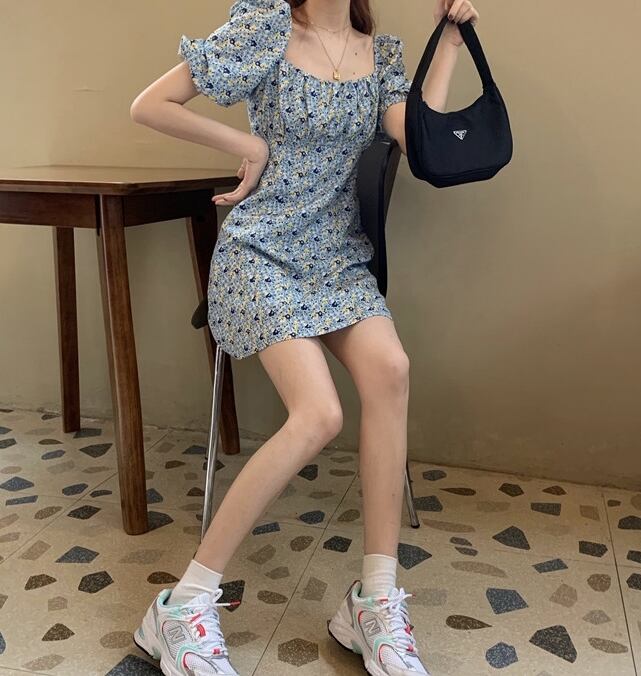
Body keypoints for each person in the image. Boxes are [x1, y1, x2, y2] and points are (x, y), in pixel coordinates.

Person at [129, 0, 479, 674]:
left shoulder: (379, 55)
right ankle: (181, 606)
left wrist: (452, 42)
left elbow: (422, 143)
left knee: (392, 370)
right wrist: (249, 146)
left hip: (336, 258)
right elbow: (150, 105)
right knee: (319, 414)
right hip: (261, 253)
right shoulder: (265, 27)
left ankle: (373, 602)